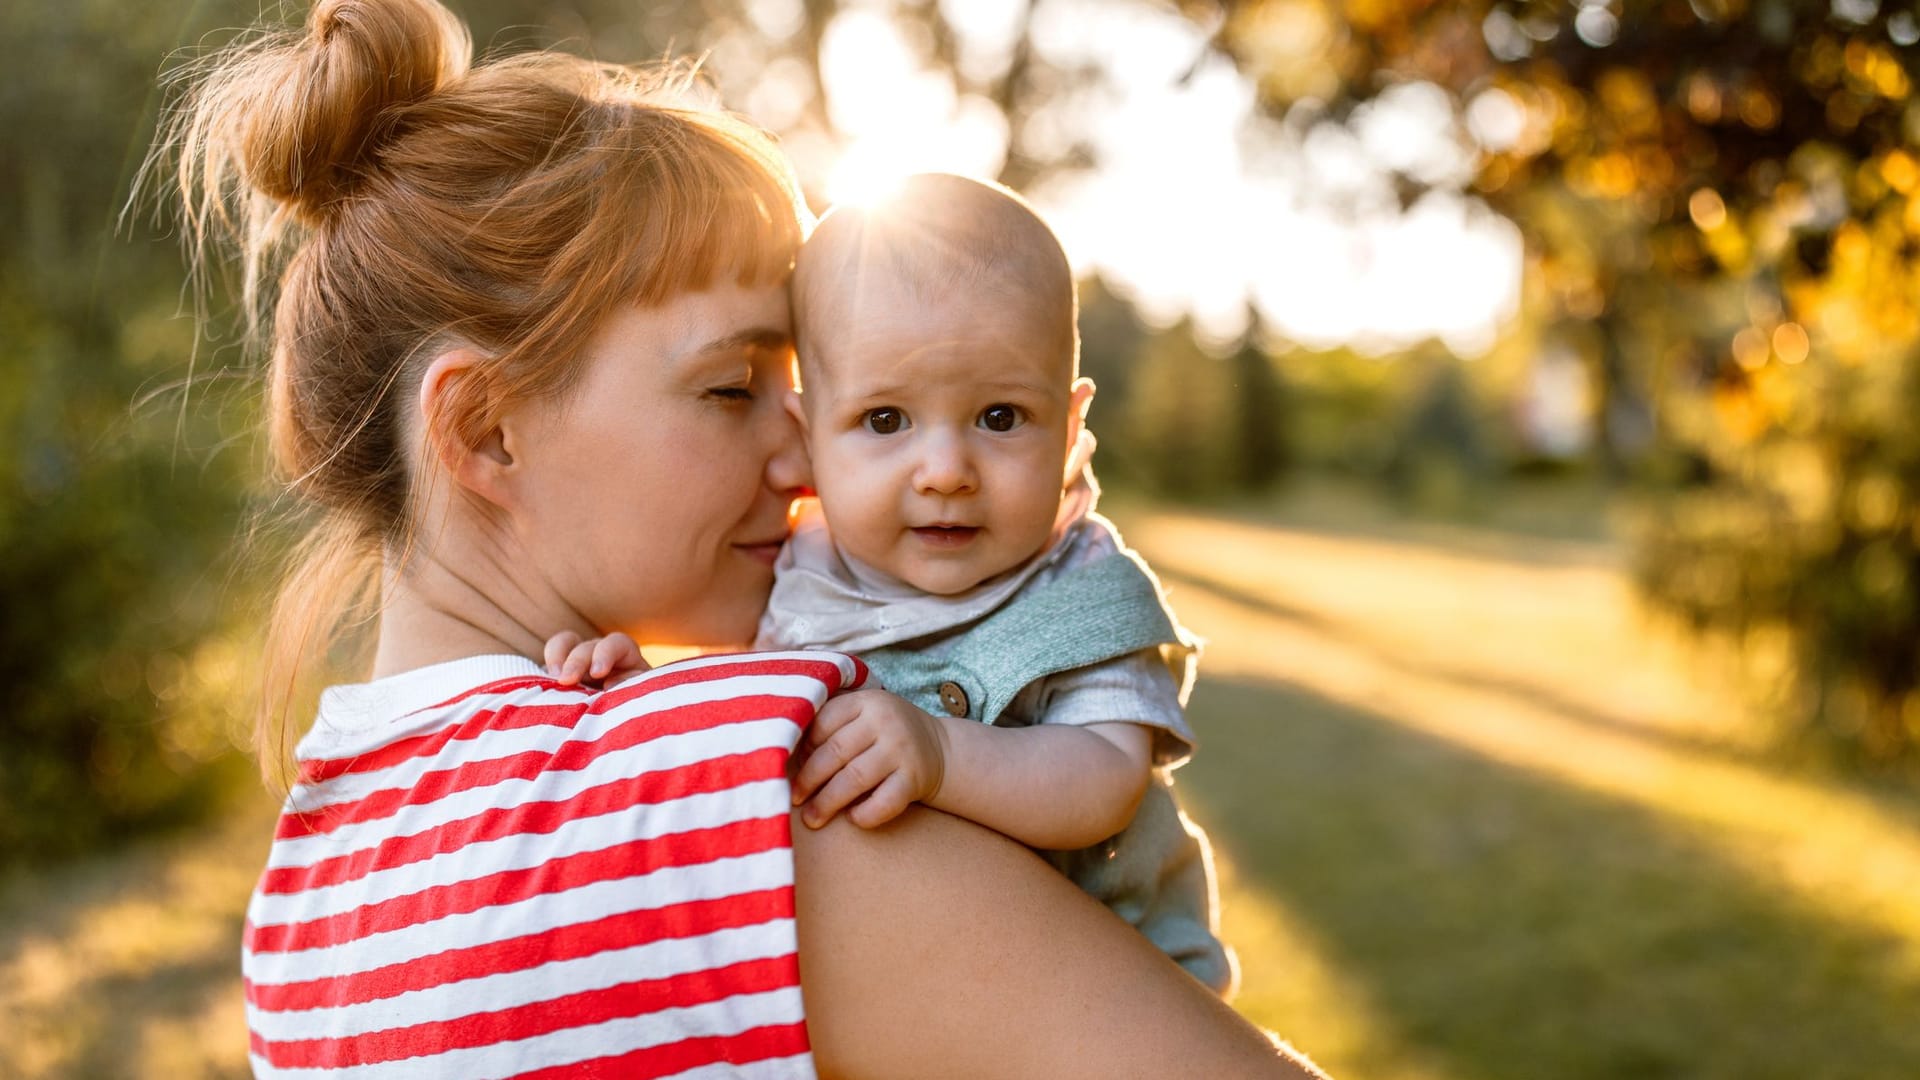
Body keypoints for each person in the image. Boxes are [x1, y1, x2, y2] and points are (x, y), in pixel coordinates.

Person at [156, 0, 1328, 1075]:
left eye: (804, 391)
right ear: (485, 431)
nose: (804, 457)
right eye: (730, 388)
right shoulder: (759, 802)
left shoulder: (300, 902)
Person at [555, 174, 1234, 994]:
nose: (946, 471)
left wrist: (943, 753)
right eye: (885, 421)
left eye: (1000, 417)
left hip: (1116, 1000)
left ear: (1070, 429)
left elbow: (1104, 781)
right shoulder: (797, 578)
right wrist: (645, 696)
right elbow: (736, 722)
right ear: (809, 442)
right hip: (908, 995)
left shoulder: (1080, 588)